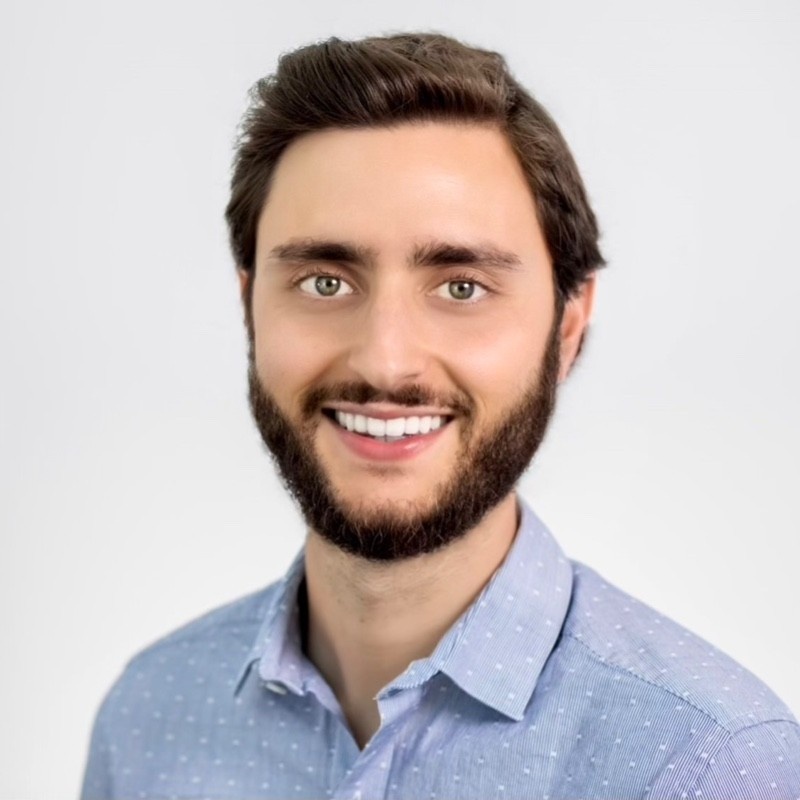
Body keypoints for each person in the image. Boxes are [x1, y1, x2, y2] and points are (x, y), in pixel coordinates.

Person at [81, 32, 800, 799]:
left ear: (568, 327)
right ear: (250, 305)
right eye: (325, 282)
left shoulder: (707, 765)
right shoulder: (149, 718)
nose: (386, 362)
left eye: (462, 287)